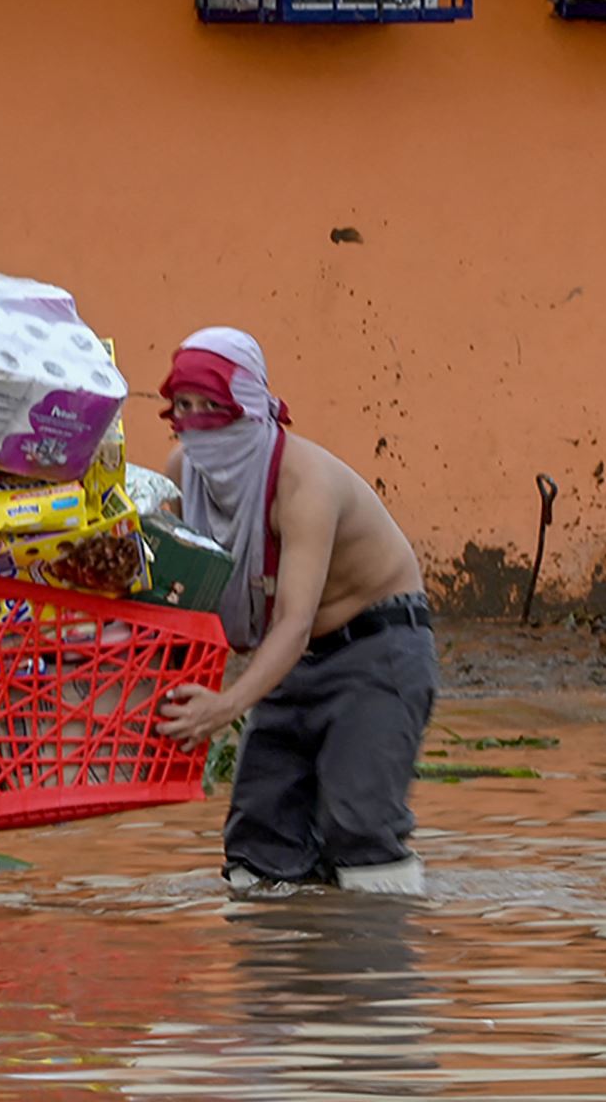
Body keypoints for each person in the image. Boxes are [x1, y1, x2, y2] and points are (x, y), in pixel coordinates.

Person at [154, 327, 437, 895]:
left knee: (359, 828)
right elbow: (168, 588)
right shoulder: (182, 473)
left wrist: (226, 705)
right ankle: (276, 974)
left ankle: (380, 960)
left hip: (377, 649)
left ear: (251, 406)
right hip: (291, 661)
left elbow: (294, 620)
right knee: (259, 837)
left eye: (213, 406)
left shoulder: (304, 484)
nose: (197, 422)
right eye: (183, 406)